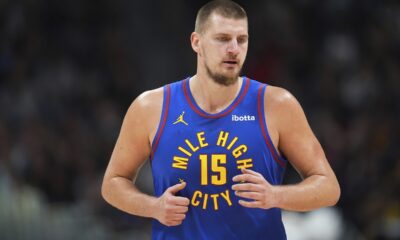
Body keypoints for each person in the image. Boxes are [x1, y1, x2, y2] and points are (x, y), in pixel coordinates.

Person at [101, 0, 340, 239]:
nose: (234, 49)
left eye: (242, 39)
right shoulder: (150, 107)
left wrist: (276, 196)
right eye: (223, 39)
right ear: (197, 42)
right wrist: (152, 207)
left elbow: (328, 187)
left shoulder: (277, 104)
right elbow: (112, 183)